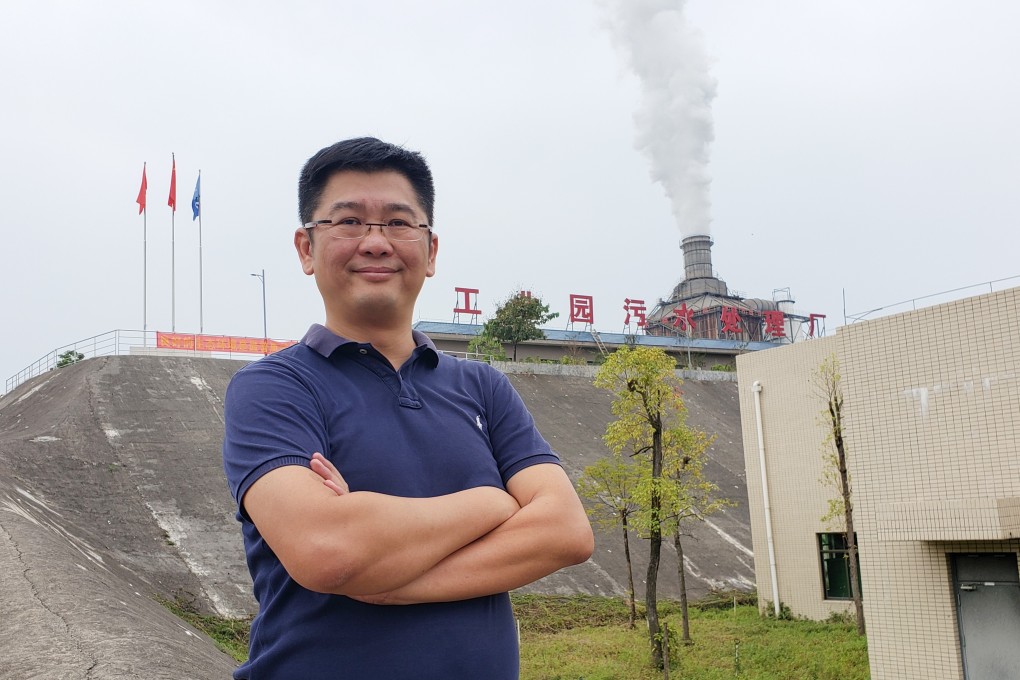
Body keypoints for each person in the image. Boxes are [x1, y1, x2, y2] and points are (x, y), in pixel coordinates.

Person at [222, 137, 594, 679]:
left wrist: (389, 579)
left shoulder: (483, 387)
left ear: (431, 250)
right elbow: (328, 549)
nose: (376, 243)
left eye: (399, 223)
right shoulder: (274, 388)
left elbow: (565, 531)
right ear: (306, 248)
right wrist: (492, 503)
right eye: (349, 221)